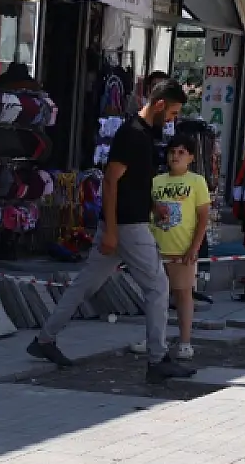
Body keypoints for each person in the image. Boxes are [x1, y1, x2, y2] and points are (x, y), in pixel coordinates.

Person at [28, 80, 193, 382]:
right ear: (159, 105)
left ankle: (44, 340)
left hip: (124, 225)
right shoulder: (132, 135)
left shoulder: (143, 135)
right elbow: (111, 181)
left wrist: (154, 206)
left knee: (84, 285)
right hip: (128, 227)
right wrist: (113, 231)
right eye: (172, 113)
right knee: (158, 288)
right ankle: (157, 360)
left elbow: (135, 183)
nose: (172, 120)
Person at [150, 134, 211, 361]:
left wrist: (195, 247)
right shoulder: (156, 181)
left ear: (191, 157)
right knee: (155, 296)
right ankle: (155, 339)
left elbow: (203, 217)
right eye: (172, 152)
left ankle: (185, 341)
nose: (175, 156)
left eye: (181, 152)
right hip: (155, 248)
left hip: (182, 250)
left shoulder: (196, 182)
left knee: (183, 295)